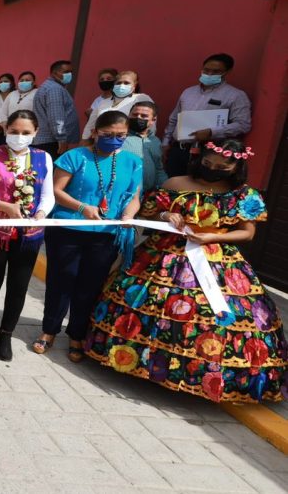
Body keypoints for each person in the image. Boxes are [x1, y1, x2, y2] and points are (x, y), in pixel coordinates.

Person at [85, 139, 285, 402]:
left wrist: (213, 236)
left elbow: (247, 233)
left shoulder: (243, 195)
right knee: (153, 306)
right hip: (165, 253)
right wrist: (166, 216)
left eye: (222, 166)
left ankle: (199, 374)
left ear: (236, 167)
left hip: (216, 258)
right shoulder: (175, 184)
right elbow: (149, 214)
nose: (213, 169)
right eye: (208, 163)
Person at [34, 110, 143, 362]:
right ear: (94, 132)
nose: (114, 139)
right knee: (61, 282)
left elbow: (134, 198)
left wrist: (128, 216)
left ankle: (77, 334)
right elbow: (55, 191)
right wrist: (82, 207)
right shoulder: (75, 156)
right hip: (67, 231)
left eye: (121, 135)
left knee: (89, 287)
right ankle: (49, 330)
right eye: (108, 134)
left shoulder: (132, 162)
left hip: (105, 235)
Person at [0, 110, 55, 361]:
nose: (19, 137)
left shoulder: (43, 158)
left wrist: (41, 212)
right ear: (6, 130)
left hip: (29, 233)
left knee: (18, 287)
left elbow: (48, 195)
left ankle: (5, 334)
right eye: (14, 132)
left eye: (25, 133)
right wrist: (3, 206)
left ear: (35, 133)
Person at [162, 53, 252, 178]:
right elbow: (174, 118)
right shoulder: (188, 92)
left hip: (207, 154)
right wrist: (166, 143)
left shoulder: (236, 96)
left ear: (226, 72)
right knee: (171, 186)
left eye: (216, 71)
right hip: (179, 150)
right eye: (206, 70)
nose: (209, 74)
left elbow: (243, 124)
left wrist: (211, 132)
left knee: (196, 190)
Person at [82, 70, 153, 143]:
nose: (122, 85)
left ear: (134, 86)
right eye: (119, 83)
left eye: (126, 83)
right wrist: (84, 141)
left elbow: (151, 122)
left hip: (129, 142)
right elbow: (90, 125)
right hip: (101, 142)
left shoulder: (141, 98)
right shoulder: (104, 102)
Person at [32, 60, 79, 158]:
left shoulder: (49, 86)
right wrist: (61, 139)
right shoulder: (54, 89)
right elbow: (56, 117)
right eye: (65, 72)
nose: (69, 75)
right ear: (54, 73)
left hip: (46, 140)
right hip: (51, 142)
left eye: (71, 72)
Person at [123, 101, 167, 192]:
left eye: (144, 116)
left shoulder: (155, 141)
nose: (138, 117)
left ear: (153, 120)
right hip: (126, 194)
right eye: (135, 114)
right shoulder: (120, 139)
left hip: (149, 196)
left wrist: (164, 189)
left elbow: (159, 169)